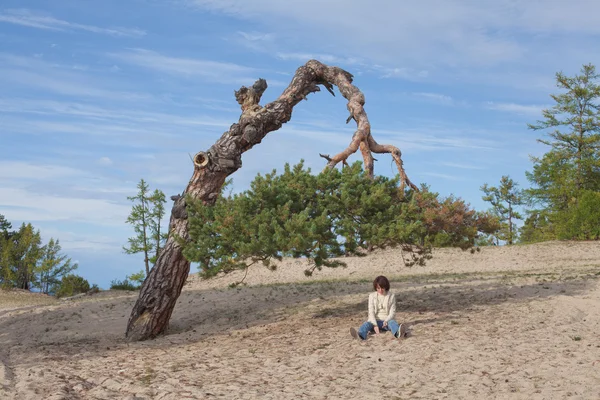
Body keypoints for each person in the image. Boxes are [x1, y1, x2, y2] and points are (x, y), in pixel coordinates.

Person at [350, 275, 406, 340]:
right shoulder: (372, 296)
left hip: (387, 321)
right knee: (366, 324)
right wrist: (375, 325)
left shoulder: (391, 296)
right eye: (378, 288)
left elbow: (392, 313)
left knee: (393, 323)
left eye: (382, 288)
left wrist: (386, 320)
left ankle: (398, 334)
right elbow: (371, 312)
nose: (380, 290)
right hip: (374, 321)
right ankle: (360, 336)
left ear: (386, 287)